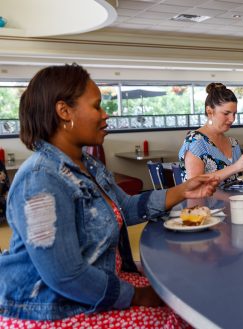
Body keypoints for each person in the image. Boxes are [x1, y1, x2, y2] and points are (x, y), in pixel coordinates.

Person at [0, 64, 219, 327]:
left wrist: (183, 190)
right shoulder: (41, 180)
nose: (106, 115)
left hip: (96, 284)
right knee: (178, 316)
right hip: (54, 307)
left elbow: (124, 207)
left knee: (187, 289)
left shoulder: (87, 165)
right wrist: (137, 295)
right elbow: (65, 277)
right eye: (97, 106)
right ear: (64, 111)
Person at [178, 83, 243, 184]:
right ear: (209, 112)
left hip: (235, 199)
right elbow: (194, 184)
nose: (232, 119)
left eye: (234, 114)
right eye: (226, 113)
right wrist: (235, 167)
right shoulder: (195, 141)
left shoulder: (233, 143)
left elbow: (240, 179)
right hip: (204, 200)